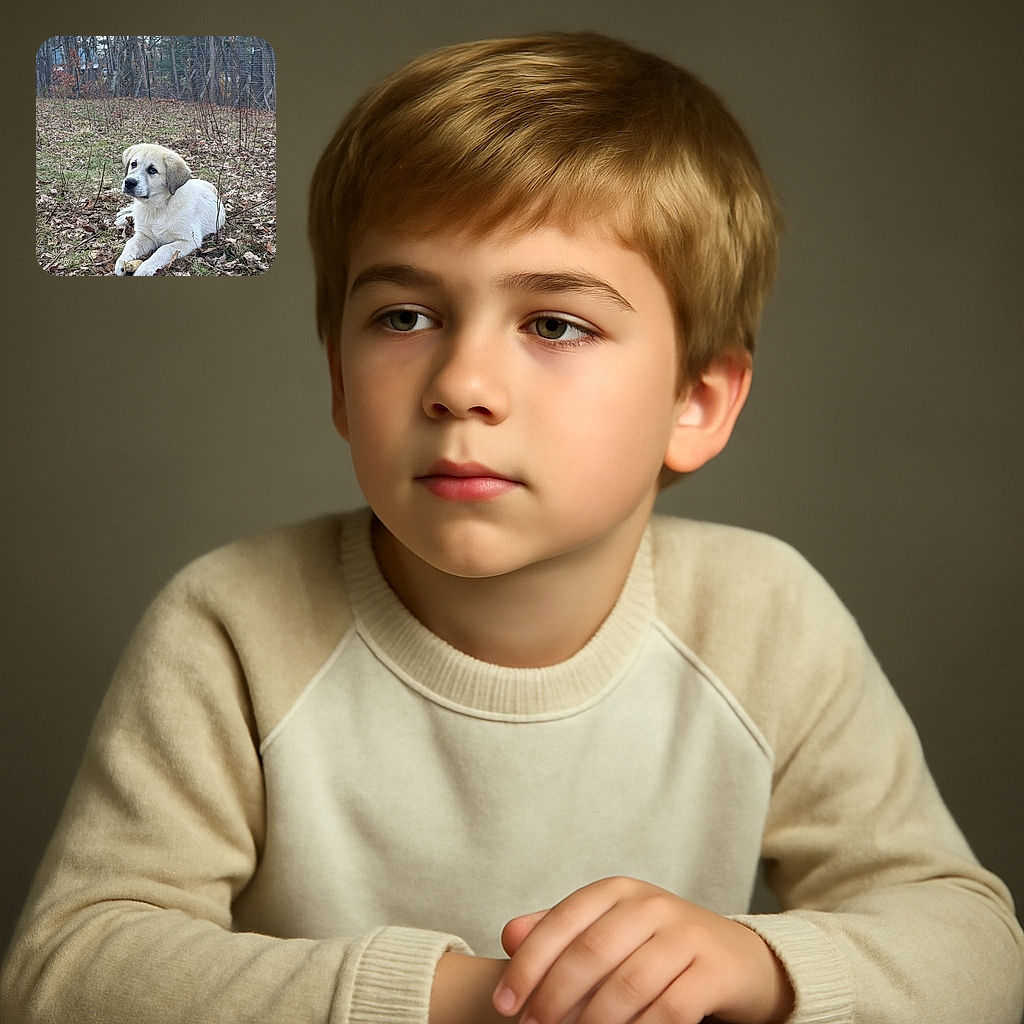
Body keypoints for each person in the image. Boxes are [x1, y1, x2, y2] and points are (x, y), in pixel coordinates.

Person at [2, 30, 1022, 1024]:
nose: (462, 385)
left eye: (554, 323)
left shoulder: (765, 617)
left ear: (696, 401)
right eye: (405, 316)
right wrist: (461, 999)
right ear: (339, 384)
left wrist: (759, 963)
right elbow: (68, 970)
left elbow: (973, 948)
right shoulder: (228, 626)